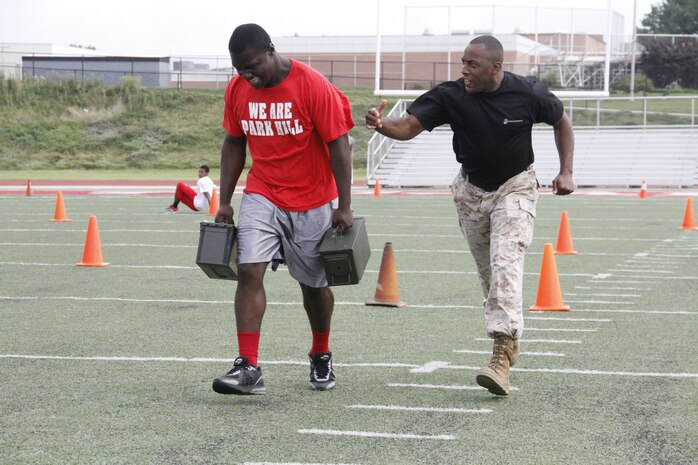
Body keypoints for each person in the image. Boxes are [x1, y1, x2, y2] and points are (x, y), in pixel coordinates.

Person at [365, 35, 575, 396]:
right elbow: (408, 127)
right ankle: (506, 340)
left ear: (496, 68)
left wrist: (566, 170)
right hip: (471, 191)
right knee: (490, 274)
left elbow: (562, 121)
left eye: (472, 65)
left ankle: (502, 355)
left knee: (506, 262)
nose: (464, 70)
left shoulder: (527, 93)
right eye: (462, 62)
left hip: (516, 186)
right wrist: (382, 125)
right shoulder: (450, 95)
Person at [211, 23, 354, 395]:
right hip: (263, 192)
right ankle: (248, 366)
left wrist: (343, 205)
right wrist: (225, 201)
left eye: (253, 65)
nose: (248, 75)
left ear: (271, 50)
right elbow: (233, 142)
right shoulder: (238, 88)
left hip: (312, 198)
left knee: (313, 286)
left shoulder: (312, 85)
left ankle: (321, 354)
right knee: (248, 271)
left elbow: (340, 145)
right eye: (240, 69)